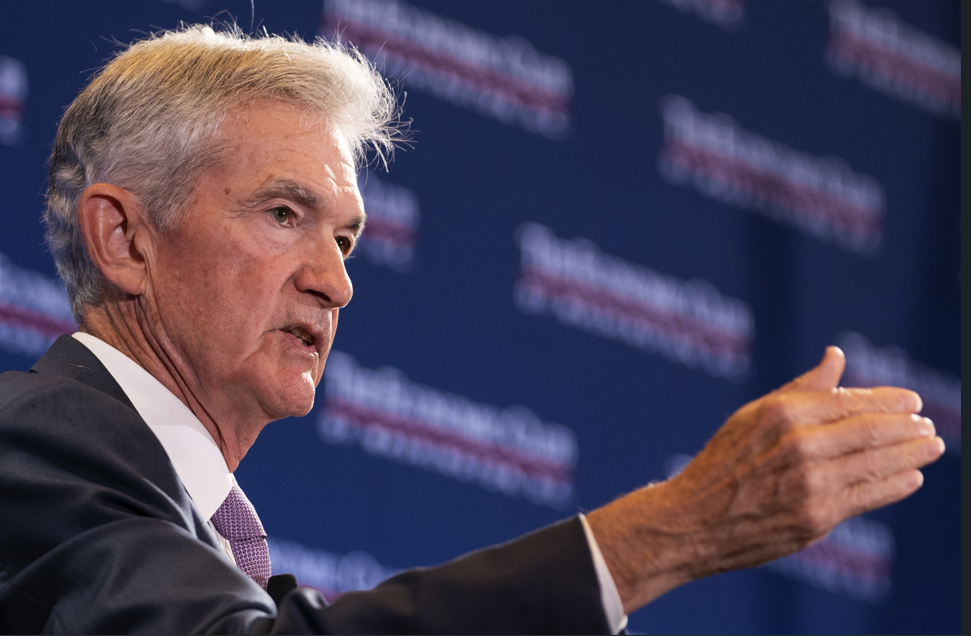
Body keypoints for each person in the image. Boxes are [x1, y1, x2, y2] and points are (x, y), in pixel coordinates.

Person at [0, 25, 943, 634]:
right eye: (283, 215)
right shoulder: (29, 443)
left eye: (345, 239)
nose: (336, 283)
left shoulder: (190, 533)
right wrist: (673, 529)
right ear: (124, 239)